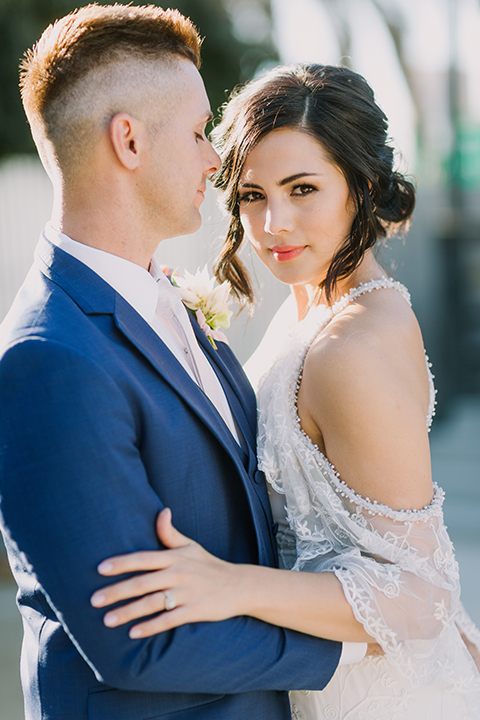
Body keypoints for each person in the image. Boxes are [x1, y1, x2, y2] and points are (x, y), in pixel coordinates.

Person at [0, 12, 366, 720]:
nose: (213, 161)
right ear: (128, 141)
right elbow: (139, 644)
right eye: (200, 133)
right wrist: (362, 641)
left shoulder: (163, 300)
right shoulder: (47, 360)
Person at [92, 64, 480, 718]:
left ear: (364, 185)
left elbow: (420, 598)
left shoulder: (349, 350)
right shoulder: (311, 308)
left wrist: (231, 586)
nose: (274, 223)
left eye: (303, 189)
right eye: (252, 194)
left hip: (384, 698)